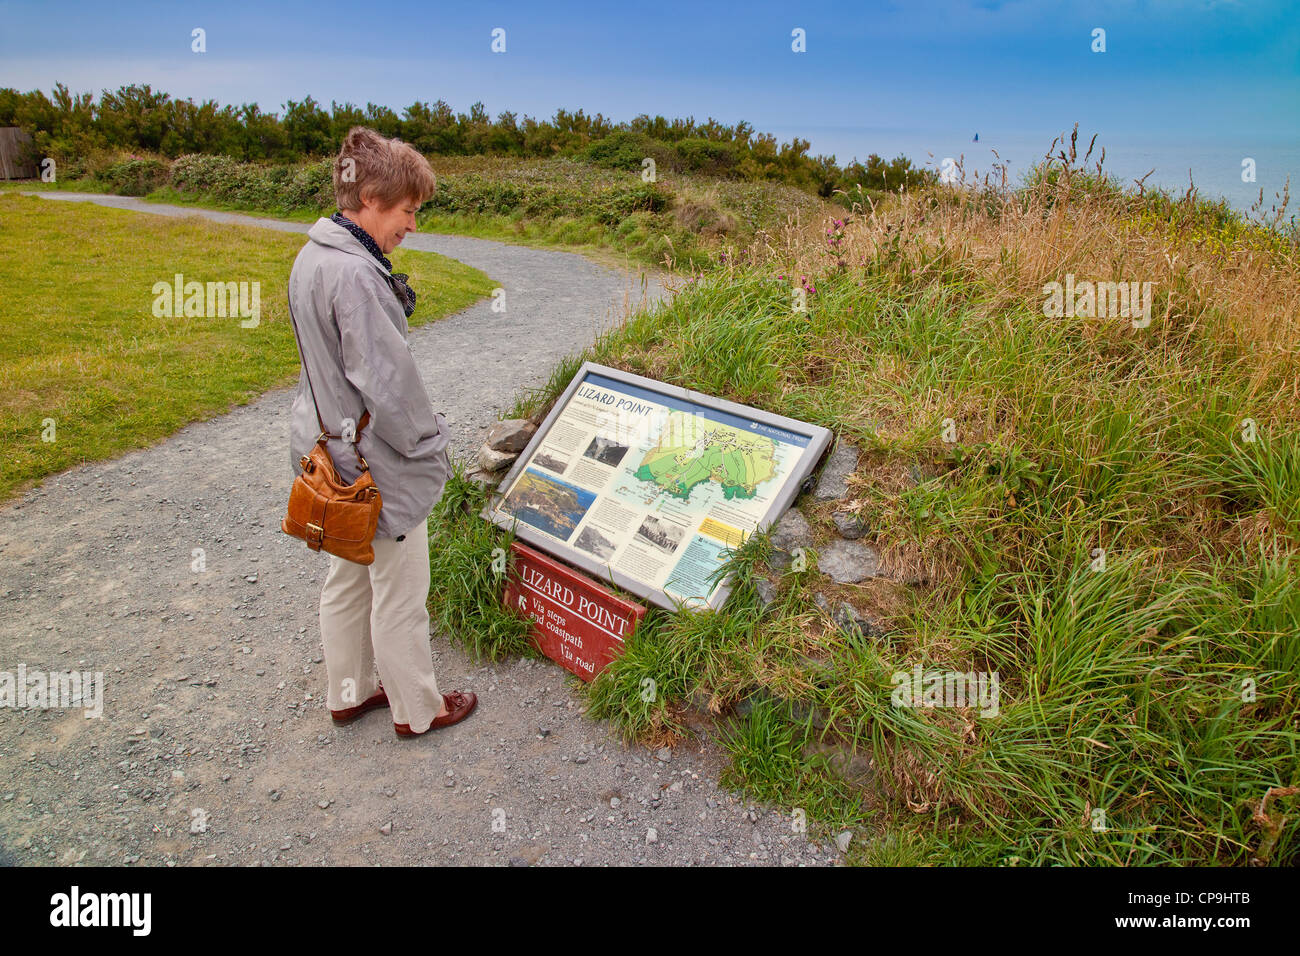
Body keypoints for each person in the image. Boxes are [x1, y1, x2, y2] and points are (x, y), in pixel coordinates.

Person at [287, 126, 477, 737]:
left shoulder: (312, 256)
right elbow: (389, 388)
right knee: (400, 589)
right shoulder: (358, 277)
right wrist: (431, 441)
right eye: (407, 210)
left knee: (347, 577)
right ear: (369, 198)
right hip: (374, 465)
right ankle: (419, 710)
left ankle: (349, 693)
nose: (412, 225)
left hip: (329, 455)